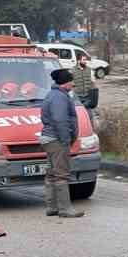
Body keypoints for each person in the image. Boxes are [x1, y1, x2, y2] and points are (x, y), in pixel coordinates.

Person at [38, 68, 85, 218]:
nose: (73, 84)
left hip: (49, 138)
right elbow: (60, 120)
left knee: (52, 173)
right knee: (62, 174)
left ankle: (52, 207)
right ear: (66, 82)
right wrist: (66, 140)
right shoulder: (59, 97)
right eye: (72, 81)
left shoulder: (53, 95)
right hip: (57, 140)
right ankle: (65, 209)